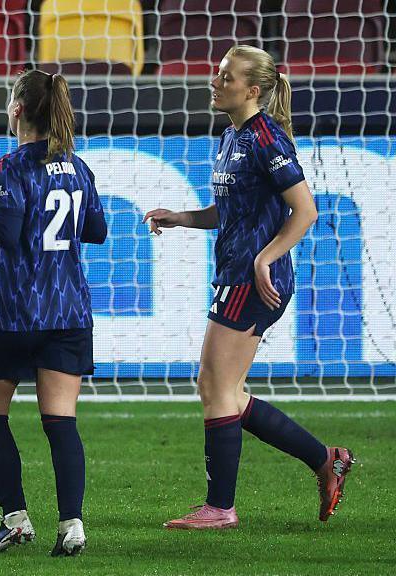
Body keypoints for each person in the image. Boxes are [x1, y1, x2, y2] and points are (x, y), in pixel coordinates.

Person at [143, 45, 354, 530]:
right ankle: (327, 460)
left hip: (254, 279)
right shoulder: (230, 136)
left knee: (216, 387)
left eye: (225, 77)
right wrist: (182, 218)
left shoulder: (267, 139)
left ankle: (220, 508)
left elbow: (306, 211)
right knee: (227, 391)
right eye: (217, 74)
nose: (214, 82)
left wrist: (266, 257)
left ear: (252, 90)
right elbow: (231, 210)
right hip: (236, 272)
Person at [0, 70, 106, 556]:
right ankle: (72, 525)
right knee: (61, 422)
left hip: (15, 312)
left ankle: (15, 518)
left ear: (17, 110)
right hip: (69, 310)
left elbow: (7, 233)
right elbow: (97, 230)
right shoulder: (78, 167)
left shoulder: (9, 167)